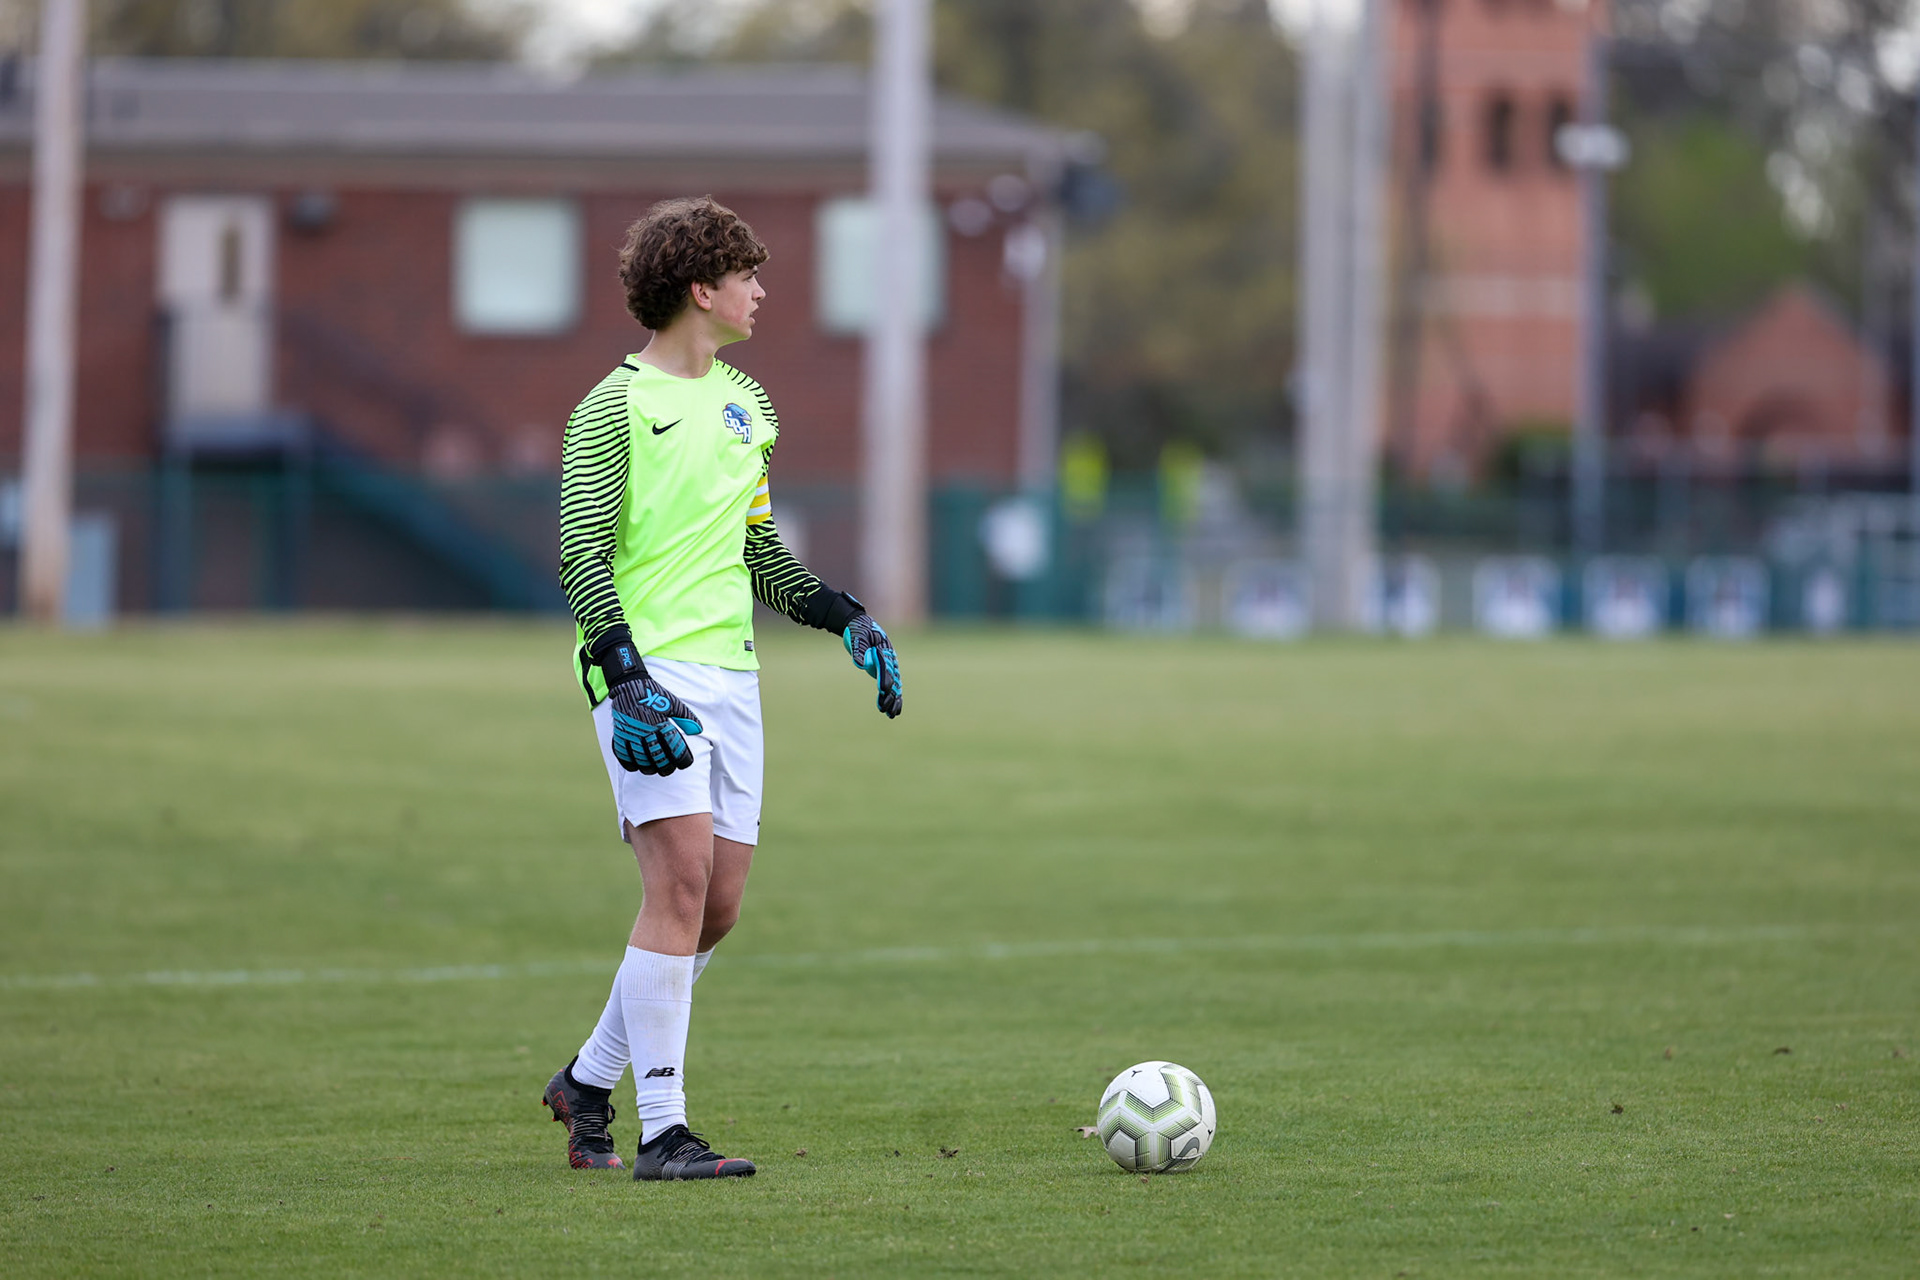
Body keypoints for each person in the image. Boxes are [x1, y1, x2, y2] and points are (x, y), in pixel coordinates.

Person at [541, 195, 903, 1181]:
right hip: (644, 671)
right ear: (702, 288)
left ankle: (585, 1079)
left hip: (732, 674)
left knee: (720, 904)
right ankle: (662, 1129)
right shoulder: (609, 407)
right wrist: (626, 675)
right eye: (748, 274)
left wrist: (844, 615)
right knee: (680, 883)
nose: (761, 290)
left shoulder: (751, 405)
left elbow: (759, 552)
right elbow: (580, 552)